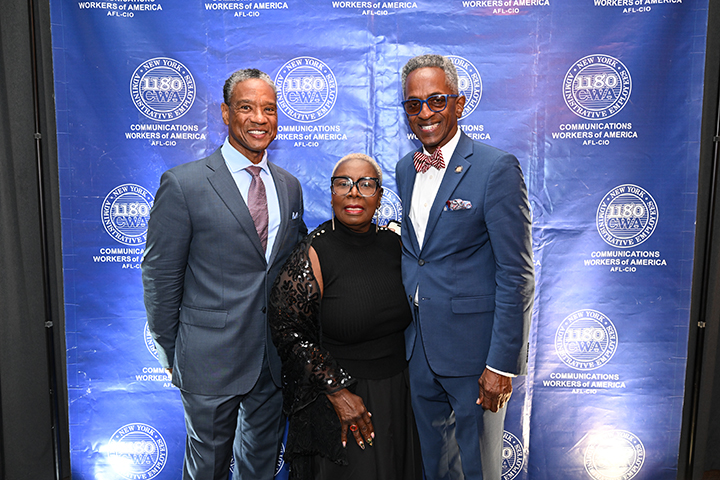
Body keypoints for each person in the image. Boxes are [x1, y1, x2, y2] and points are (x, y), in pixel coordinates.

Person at [141, 68, 307, 480]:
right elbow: (161, 276)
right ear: (226, 113)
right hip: (207, 360)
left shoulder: (289, 187)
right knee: (208, 470)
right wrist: (172, 351)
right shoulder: (184, 184)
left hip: (270, 361)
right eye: (247, 107)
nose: (259, 118)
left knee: (261, 468)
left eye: (269, 109)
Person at [395, 54, 535, 480]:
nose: (425, 113)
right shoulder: (405, 170)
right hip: (419, 349)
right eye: (414, 104)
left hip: (476, 358)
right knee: (435, 468)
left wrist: (501, 364)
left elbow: (516, 274)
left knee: (478, 470)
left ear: (459, 103)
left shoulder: (496, 168)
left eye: (436, 100)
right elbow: (420, 256)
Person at [269, 153, 423, 480]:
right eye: (344, 183)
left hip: (397, 397)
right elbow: (288, 331)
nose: (354, 192)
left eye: (366, 184)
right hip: (341, 403)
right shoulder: (314, 251)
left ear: (379, 196)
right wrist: (337, 392)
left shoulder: (397, 245)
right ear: (332, 194)